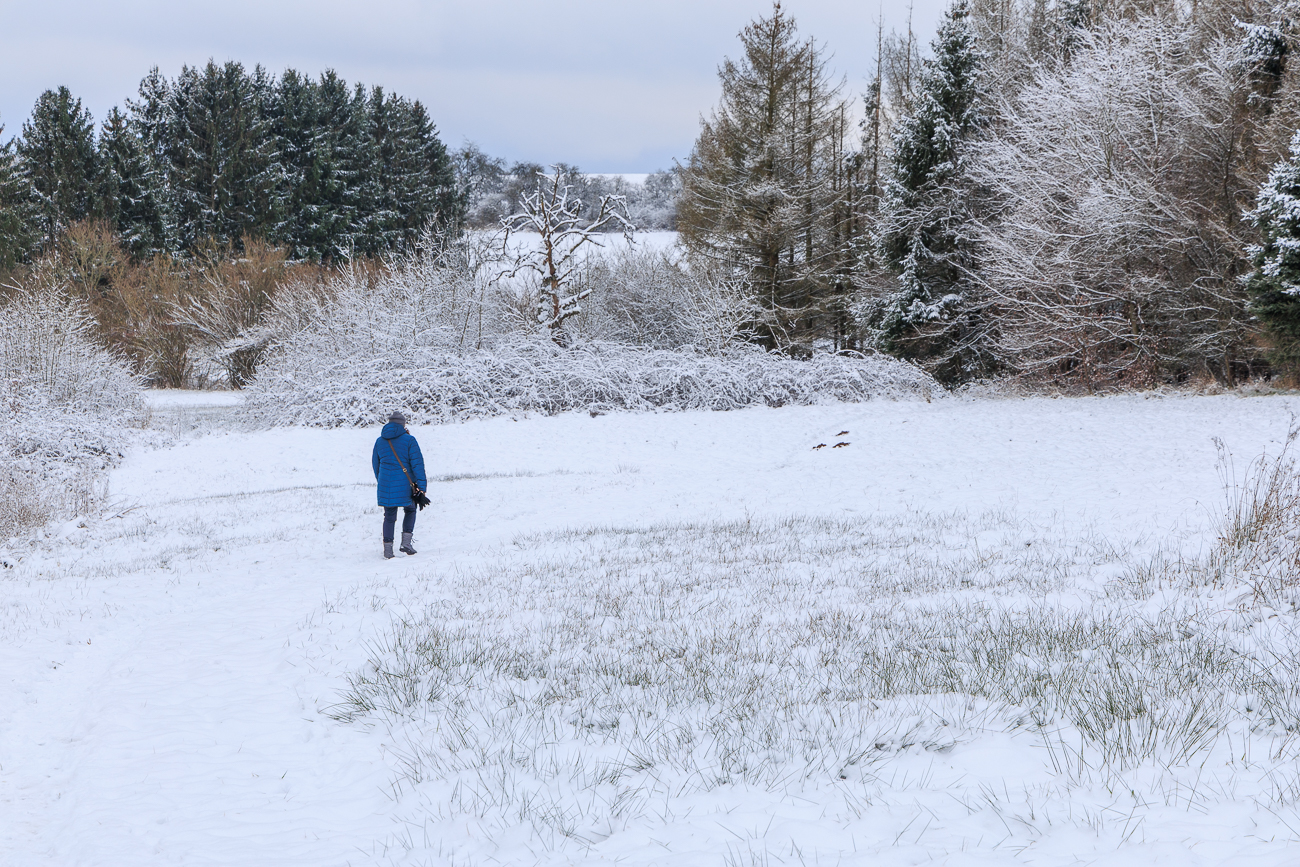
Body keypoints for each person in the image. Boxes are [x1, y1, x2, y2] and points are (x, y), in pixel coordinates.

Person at [372, 411, 427, 559]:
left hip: (385, 484)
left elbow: (376, 465)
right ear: (403, 425)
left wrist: (382, 481)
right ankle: (406, 544)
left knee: (389, 516)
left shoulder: (379, 441)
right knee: (410, 509)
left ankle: (388, 550)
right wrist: (422, 487)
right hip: (406, 484)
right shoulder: (409, 440)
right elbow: (417, 464)